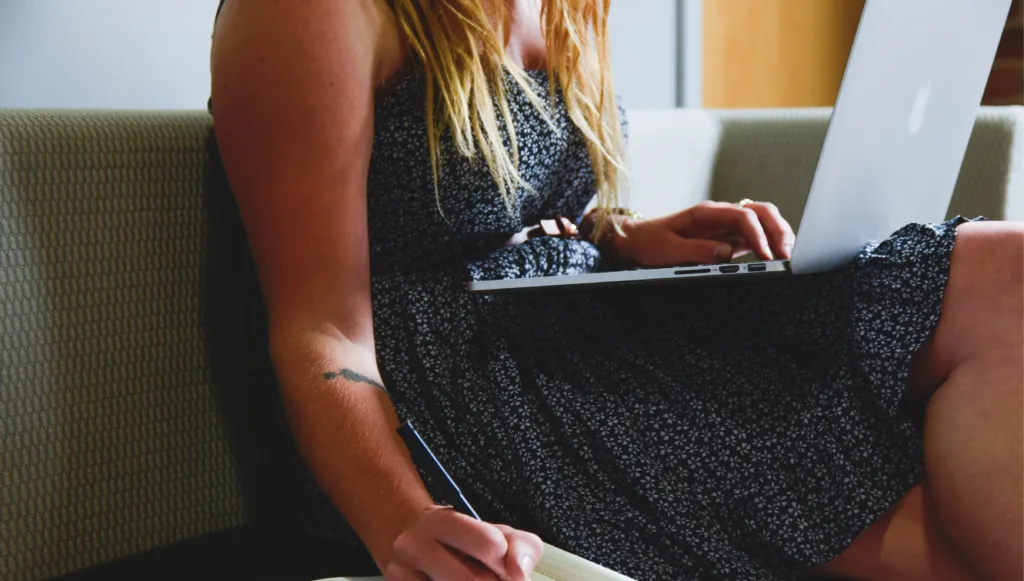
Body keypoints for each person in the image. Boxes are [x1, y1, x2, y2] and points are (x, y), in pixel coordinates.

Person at [208, 1, 1023, 579]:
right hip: (455, 392)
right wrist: (404, 522)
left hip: (568, 323)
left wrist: (625, 235)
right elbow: (321, 330)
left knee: (1003, 276)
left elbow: (516, 207)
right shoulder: (308, 11)